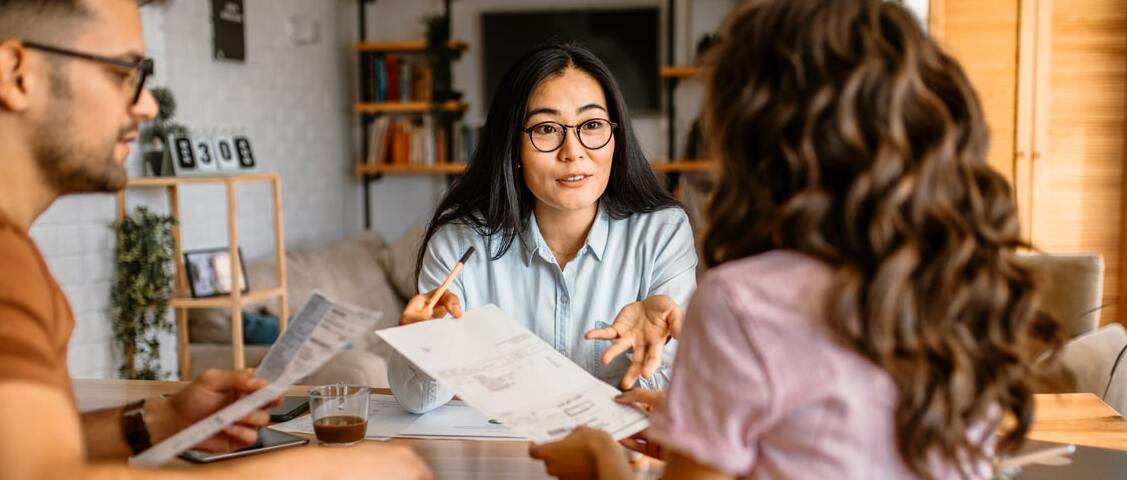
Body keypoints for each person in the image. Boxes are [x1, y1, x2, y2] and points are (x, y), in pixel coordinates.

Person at [529, 0, 1056, 478]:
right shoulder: (958, 274)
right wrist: (702, 429)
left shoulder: (744, 301)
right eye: (547, 130)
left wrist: (600, 460)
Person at [0, 1, 428, 478]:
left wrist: (161, 419)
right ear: (18, 73)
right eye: (125, 73)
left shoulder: (17, 251)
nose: (148, 105)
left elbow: (20, 451)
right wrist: (311, 471)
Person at [389, 43, 697, 414]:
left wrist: (651, 351)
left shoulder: (662, 232)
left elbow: (676, 401)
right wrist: (425, 343)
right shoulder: (459, 242)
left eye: (593, 125)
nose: (573, 151)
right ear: (512, 146)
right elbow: (416, 401)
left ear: (616, 136)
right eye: (547, 129)